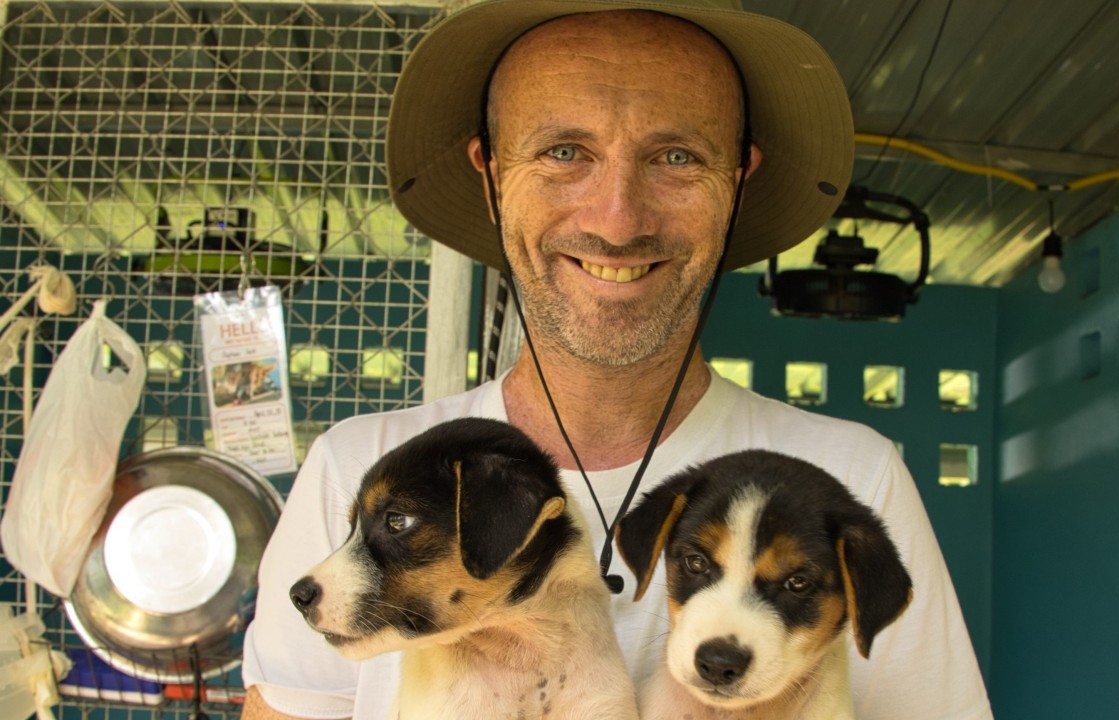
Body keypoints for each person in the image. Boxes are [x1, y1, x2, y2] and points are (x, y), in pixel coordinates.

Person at [241, 1, 993, 719]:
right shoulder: (361, 468)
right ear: (493, 175)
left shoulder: (852, 481)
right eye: (564, 152)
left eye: (676, 156)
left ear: (738, 179)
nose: (618, 219)